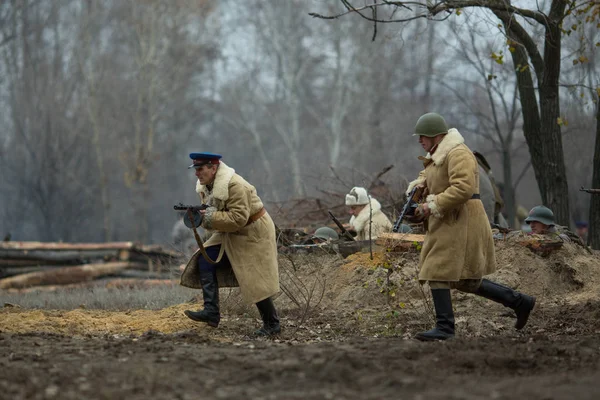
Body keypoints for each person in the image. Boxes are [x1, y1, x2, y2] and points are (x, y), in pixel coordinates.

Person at [405, 112, 536, 341]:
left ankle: (445, 328)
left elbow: (463, 188)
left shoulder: (458, 153)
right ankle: (520, 302)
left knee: (437, 269)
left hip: (462, 219)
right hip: (448, 220)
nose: (419, 140)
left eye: (423, 136)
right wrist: (418, 191)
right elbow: (427, 178)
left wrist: (431, 206)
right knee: (466, 281)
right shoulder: (436, 155)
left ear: (437, 136)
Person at [179, 152, 281, 336]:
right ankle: (211, 312)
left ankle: (272, 324)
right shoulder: (206, 186)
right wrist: (201, 214)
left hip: (253, 230)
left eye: (200, 169)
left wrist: (207, 217)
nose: (197, 173)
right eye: (196, 169)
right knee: (205, 259)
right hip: (229, 230)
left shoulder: (235, 185)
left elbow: (238, 218)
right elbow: (215, 212)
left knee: (255, 279)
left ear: (213, 168)